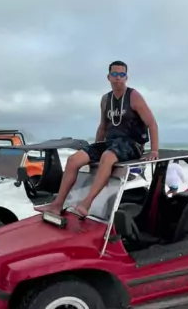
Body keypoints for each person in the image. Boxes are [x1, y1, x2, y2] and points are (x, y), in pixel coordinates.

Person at [48, 60, 159, 216]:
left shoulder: (134, 96)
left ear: (126, 77)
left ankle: (87, 203)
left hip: (132, 143)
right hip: (111, 143)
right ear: (109, 77)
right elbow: (103, 126)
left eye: (122, 74)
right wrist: (94, 149)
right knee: (74, 160)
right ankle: (57, 204)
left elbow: (152, 123)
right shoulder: (106, 99)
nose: (118, 77)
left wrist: (154, 150)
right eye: (114, 74)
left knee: (107, 156)